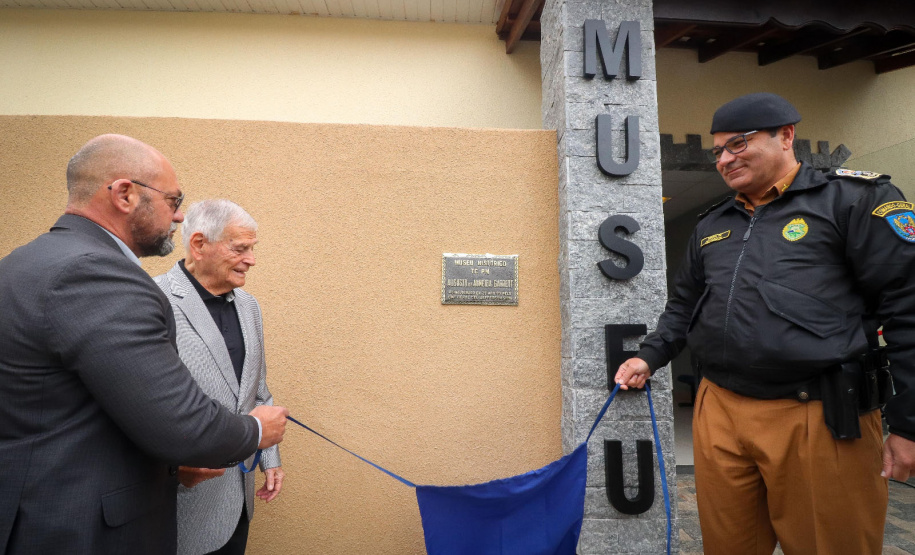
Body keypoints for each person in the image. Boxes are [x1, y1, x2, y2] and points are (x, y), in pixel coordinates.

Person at [615, 93, 915, 554]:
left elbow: (907, 310)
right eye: (718, 151)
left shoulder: (854, 200)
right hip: (720, 409)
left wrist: (909, 425)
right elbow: (684, 306)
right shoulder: (713, 223)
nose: (726, 159)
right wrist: (649, 355)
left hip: (817, 413)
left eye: (739, 144)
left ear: (786, 136)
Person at [0, 134, 289, 555]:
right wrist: (259, 429)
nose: (178, 217)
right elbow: (182, 423)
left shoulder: (22, 262)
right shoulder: (101, 277)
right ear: (124, 194)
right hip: (78, 528)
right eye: (173, 201)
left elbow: (96, 407)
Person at [154, 199, 282, 555]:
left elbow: (258, 390)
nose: (251, 259)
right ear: (198, 244)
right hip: (181, 503)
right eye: (240, 249)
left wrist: (269, 457)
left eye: (252, 249)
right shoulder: (152, 299)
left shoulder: (249, 305)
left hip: (238, 500)